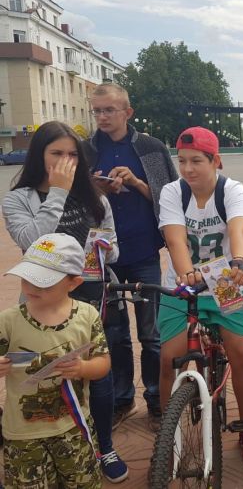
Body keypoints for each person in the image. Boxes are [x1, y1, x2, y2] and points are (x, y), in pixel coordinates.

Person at [1, 121, 128, 482]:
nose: (65, 161)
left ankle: (104, 446)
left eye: (72, 155)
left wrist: (101, 249)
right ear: (39, 155)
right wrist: (57, 192)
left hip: (89, 296)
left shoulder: (96, 198)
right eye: (56, 153)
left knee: (96, 372)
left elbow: (113, 248)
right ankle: (39, 440)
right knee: (44, 372)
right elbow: (31, 240)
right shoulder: (19, 198)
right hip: (42, 299)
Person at [157, 126, 243, 466]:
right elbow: (174, 240)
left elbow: (238, 228)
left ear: (216, 160)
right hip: (184, 282)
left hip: (224, 281)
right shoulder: (173, 192)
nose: (188, 169)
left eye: (196, 161)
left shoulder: (232, 190)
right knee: (169, 358)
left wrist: (241, 259)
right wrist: (187, 276)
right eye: (182, 160)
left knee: (242, 353)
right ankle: (167, 433)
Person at [82, 83, 178, 430]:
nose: (102, 117)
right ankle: (122, 399)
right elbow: (72, 199)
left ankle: (156, 399)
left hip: (143, 252)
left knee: (152, 333)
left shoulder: (151, 148)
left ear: (128, 112)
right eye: (97, 110)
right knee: (114, 333)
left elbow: (172, 199)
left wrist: (137, 183)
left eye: (109, 110)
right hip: (102, 255)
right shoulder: (86, 150)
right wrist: (94, 186)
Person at [0, 233, 111, 488]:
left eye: (44, 283)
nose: (30, 288)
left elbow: (103, 362)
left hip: (73, 427)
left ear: (74, 283)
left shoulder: (87, 315)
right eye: (27, 279)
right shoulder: (9, 320)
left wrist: (83, 367)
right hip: (22, 434)